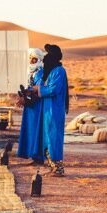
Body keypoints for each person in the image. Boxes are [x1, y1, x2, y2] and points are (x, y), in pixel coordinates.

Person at [37, 44, 69, 176]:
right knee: (47, 138)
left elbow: (53, 89)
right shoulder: (51, 71)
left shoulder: (59, 71)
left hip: (54, 110)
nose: (45, 58)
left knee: (54, 138)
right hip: (47, 110)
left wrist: (38, 90)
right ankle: (53, 167)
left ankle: (58, 168)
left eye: (48, 55)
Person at [17, 48, 45, 164]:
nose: (31, 61)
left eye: (34, 59)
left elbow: (38, 89)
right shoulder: (31, 73)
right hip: (30, 107)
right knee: (29, 130)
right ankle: (31, 154)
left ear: (38, 60)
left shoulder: (41, 73)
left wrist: (26, 97)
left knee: (37, 131)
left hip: (37, 106)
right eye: (30, 59)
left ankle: (38, 157)